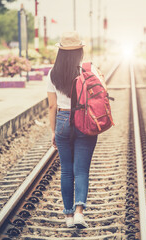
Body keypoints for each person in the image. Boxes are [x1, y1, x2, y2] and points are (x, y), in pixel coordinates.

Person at [47, 31, 103, 229]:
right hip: (85, 121)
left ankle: (68, 216)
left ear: (60, 52)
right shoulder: (88, 69)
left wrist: (53, 131)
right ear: (80, 50)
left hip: (62, 120)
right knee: (81, 170)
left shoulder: (52, 73)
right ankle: (80, 212)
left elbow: (52, 106)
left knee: (66, 172)